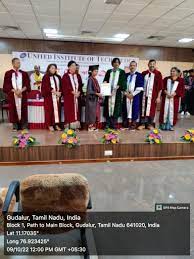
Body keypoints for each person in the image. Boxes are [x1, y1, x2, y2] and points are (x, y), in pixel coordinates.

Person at [3, 58, 30, 131]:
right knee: (13, 110)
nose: (19, 64)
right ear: (13, 64)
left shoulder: (24, 73)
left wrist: (20, 91)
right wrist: (15, 91)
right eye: (17, 63)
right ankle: (15, 126)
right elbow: (6, 85)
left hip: (22, 95)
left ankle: (24, 126)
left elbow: (27, 84)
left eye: (19, 63)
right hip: (13, 95)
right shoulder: (8, 73)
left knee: (23, 109)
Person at [138, 59, 163, 130]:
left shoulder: (158, 74)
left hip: (153, 96)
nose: (152, 65)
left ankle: (150, 124)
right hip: (143, 95)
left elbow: (160, 87)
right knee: (143, 109)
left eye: (153, 64)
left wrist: (158, 97)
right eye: (150, 64)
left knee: (151, 110)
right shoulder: (144, 73)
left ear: (155, 65)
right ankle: (142, 124)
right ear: (148, 65)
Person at [103, 58, 127, 129]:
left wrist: (115, 89)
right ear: (112, 63)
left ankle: (113, 124)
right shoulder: (109, 71)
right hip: (108, 92)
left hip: (117, 93)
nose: (116, 64)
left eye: (117, 62)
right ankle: (107, 124)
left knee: (116, 109)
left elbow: (122, 82)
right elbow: (105, 80)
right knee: (108, 108)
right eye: (115, 62)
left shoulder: (122, 72)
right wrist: (105, 85)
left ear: (119, 64)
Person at [123, 61, 144, 130]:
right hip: (126, 95)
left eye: (134, 65)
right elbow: (123, 85)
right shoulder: (126, 75)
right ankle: (126, 123)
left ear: (136, 66)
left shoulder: (139, 75)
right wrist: (126, 94)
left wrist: (132, 94)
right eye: (131, 65)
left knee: (134, 109)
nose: (132, 67)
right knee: (126, 108)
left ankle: (133, 123)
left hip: (135, 95)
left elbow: (140, 87)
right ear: (129, 66)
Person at [62, 61, 83, 129]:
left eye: (75, 66)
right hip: (69, 97)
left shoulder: (78, 76)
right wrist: (74, 93)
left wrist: (79, 92)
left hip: (77, 97)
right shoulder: (65, 76)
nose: (75, 67)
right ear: (69, 67)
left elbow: (80, 86)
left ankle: (76, 126)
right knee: (70, 112)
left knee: (77, 111)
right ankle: (69, 127)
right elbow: (65, 87)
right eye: (73, 66)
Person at [41, 64, 62, 132]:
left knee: (57, 111)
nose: (54, 69)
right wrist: (55, 92)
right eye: (52, 68)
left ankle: (56, 124)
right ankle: (49, 125)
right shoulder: (46, 77)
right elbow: (47, 87)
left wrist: (60, 93)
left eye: (55, 68)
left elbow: (61, 86)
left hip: (57, 97)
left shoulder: (58, 77)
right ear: (49, 69)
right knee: (49, 111)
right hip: (49, 97)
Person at [85, 65, 102, 131]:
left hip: (95, 99)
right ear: (91, 72)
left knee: (94, 113)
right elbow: (89, 91)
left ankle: (93, 126)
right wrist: (97, 94)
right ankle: (90, 127)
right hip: (91, 100)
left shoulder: (95, 79)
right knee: (91, 113)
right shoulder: (90, 79)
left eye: (97, 71)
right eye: (95, 71)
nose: (96, 72)